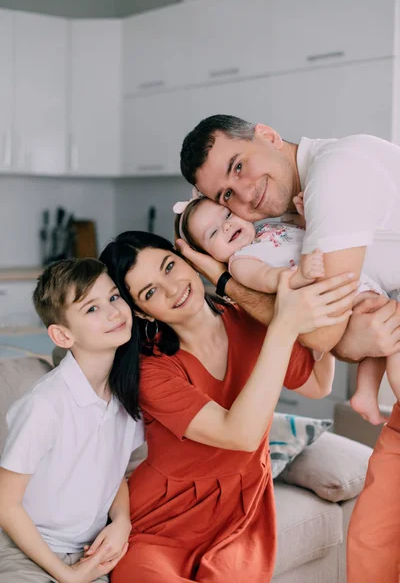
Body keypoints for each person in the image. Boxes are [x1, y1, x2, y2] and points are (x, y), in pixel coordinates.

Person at [179, 114, 400, 581]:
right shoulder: (294, 217)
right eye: (225, 196)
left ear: (268, 135)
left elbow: (319, 333)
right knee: (371, 546)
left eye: (238, 167)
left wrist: (221, 281)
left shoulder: (335, 177)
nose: (242, 197)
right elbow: (327, 339)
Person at [99, 230, 356, 582]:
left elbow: (316, 385)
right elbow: (241, 435)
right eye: (150, 291)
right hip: (162, 516)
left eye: (170, 266)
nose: (173, 288)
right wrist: (284, 325)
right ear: (142, 313)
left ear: (189, 260)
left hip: (241, 505)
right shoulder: (151, 367)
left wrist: (320, 311)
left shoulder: (251, 318)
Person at [173, 194, 399, 425]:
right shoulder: (241, 262)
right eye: (212, 233)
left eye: (228, 215)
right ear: (209, 256)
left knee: (385, 339)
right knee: (393, 335)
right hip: (333, 295)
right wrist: (299, 275)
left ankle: (366, 392)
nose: (227, 225)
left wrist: (302, 215)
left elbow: (303, 234)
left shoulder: (267, 228)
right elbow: (268, 278)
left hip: (353, 281)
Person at [0, 258, 145, 583]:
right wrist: (66, 575)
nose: (113, 312)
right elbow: (5, 504)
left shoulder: (123, 395)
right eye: (91, 309)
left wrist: (122, 521)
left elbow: (116, 472)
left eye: (112, 297)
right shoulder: (46, 404)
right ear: (63, 335)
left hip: (89, 549)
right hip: (25, 548)